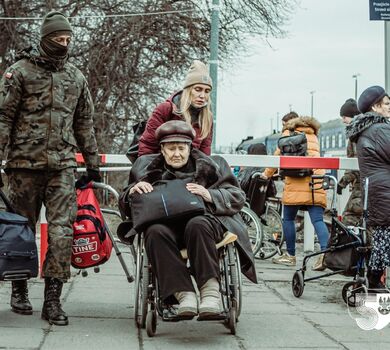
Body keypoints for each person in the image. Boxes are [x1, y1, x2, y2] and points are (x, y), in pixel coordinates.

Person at [0, 11, 101, 325]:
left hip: (62, 168)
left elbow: (84, 123)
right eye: (58, 39)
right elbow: (3, 118)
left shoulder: (76, 77)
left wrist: (93, 164)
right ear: (45, 39)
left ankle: (53, 301)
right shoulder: (19, 73)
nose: (64, 43)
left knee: (61, 233)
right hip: (22, 167)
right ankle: (19, 290)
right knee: (21, 231)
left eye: (68, 39)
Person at [122, 120, 256, 318]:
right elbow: (125, 204)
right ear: (162, 149)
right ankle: (185, 295)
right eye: (171, 148)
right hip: (167, 229)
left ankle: (210, 294)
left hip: (206, 226)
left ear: (189, 147)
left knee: (197, 224)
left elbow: (237, 197)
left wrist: (211, 195)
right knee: (154, 232)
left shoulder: (213, 165)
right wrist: (132, 192)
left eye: (181, 148)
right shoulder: (145, 168)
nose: (176, 153)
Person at [261, 115, 329, 270]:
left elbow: (276, 158)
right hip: (315, 182)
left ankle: (290, 256)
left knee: (288, 219)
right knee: (318, 220)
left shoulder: (288, 135)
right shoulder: (313, 136)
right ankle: (325, 254)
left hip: (295, 183)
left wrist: (266, 174)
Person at [346, 85, 390, 290]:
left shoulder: (367, 130)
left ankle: (374, 283)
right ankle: (374, 284)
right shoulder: (380, 129)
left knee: (382, 240)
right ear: (375, 106)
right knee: (383, 241)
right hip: (385, 192)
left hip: (378, 192)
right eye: (387, 103)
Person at [138, 60, 213, 156]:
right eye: (198, 89)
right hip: (162, 167)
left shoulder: (207, 118)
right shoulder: (166, 109)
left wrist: (204, 170)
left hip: (192, 169)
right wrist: (149, 170)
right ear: (188, 90)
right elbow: (147, 146)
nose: (202, 95)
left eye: (207, 91)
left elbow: (204, 154)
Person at [337, 99, 362, 226]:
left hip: (363, 184)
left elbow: (357, 163)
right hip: (365, 182)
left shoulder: (357, 135)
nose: (343, 120)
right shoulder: (358, 133)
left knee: (350, 216)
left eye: (345, 117)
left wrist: (343, 181)